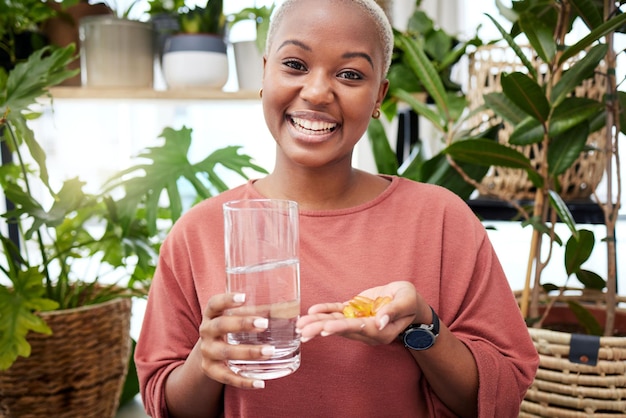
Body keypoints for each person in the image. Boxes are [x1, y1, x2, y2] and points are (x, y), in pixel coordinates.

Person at [134, 0, 539, 417]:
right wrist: (207, 360)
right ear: (264, 72)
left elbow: (502, 392)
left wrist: (422, 325)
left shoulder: (440, 219)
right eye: (295, 64)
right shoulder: (197, 232)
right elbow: (164, 403)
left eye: (350, 74)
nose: (316, 92)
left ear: (379, 95)